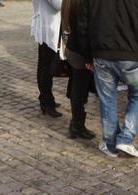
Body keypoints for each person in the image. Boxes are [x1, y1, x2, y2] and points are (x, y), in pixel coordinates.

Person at [79, 0, 138, 157]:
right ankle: (125, 138)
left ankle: (112, 143)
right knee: (137, 95)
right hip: (131, 54)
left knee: (108, 99)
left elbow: (83, 23)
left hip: (103, 53)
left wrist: (87, 55)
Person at [61, 0, 95, 139]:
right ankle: (77, 125)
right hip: (80, 51)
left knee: (77, 87)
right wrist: (88, 57)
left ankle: (76, 123)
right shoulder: (81, 3)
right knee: (80, 91)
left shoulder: (70, 2)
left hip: (73, 48)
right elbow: (84, 31)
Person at [31, 0, 63, 118]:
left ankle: (46, 98)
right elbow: (58, 5)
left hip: (46, 26)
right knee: (46, 68)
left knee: (43, 66)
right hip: (48, 28)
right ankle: (47, 102)